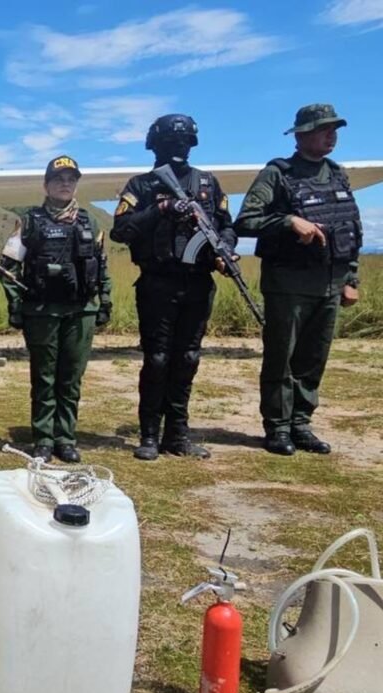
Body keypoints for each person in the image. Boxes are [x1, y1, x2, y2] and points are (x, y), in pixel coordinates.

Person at [234, 104, 361, 456]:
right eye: (324, 129)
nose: (331, 135)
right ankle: (276, 427)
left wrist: (351, 278)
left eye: (335, 129)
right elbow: (246, 220)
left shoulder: (337, 174)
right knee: (282, 359)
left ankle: (301, 423)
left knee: (313, 358)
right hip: (288, 285)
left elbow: (350, 227)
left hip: (330, 285)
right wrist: (289, 222)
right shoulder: (278, 174)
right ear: (302, 134)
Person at [110, 114, 237, 461]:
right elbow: (121, 230)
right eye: (170, 142)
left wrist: (224, 249)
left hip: (197, 283)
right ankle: (149, 434)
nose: (177, 147)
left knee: (188, 358)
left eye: (183, 142)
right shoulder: (141, 186)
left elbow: (227, 226)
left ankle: (177, 434)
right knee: (158, 359)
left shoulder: (208, 183)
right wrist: (161, 209)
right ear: (156, 145)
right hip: (157, 283)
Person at [1, 156, 113, 463]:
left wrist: (105, 301)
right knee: (45, 377)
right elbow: (8, 266)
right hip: (42, 311)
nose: (65, 184)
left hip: (81, 310)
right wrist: (16, 304)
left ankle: (66, 437)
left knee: (71, 377)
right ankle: (44, 439)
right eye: (58, 178)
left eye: (70, 179)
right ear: (46, 184)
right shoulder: (30, 221)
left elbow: (101, 265)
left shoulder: (90, 221)